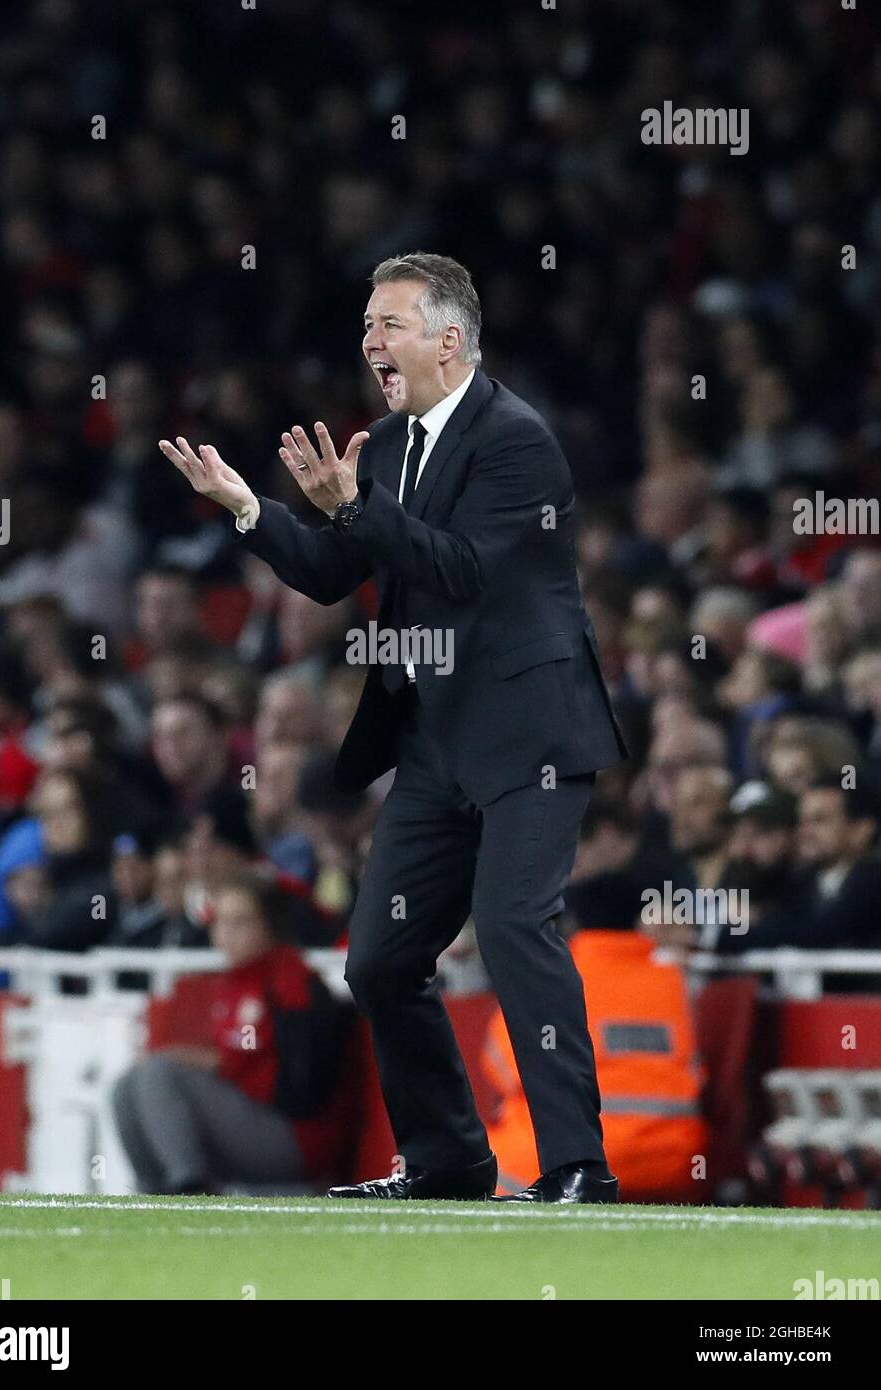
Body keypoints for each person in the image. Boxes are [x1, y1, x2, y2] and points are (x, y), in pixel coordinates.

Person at [160, 252, 628, 1203]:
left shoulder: (517, 441)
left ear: (449, 341)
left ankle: (579, 1166)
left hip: (527, 738)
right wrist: (249, 508)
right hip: (433, 739)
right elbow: (337, 572)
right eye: (367, 326)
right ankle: (448, 1159)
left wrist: (354, 507)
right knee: (378, 960)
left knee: (510, 928)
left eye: (391, 325)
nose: (371, 342)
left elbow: (461, 571)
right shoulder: (386, 446)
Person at [111, 872, 356, 1194]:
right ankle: (153, 1190)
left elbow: (305, 1088)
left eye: (240, 922)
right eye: (220, 922)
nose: (225, 933)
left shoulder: (292, 984)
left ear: (270, 925)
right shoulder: (235, 981)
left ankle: (190, 1188)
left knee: (160, 1072)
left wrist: (221, 1066)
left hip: (295, 1137)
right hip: (251, 1122)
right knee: (128, 1083)